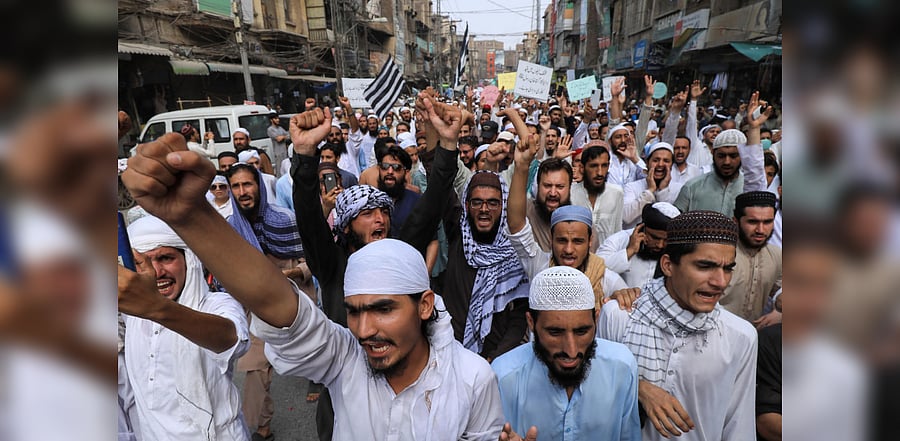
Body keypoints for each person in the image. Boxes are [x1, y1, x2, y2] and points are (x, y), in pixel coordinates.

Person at [122, 139, 507, 437]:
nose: (363, 329)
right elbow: (280, 307)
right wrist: (192, 216)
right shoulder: (346, 358)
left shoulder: (473, 379)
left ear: (424, 305)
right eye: (354, 311)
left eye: (383, 309)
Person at [287, 97, 463, 439]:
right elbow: (309, 219)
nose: (380, 218)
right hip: (346, 391)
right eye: (368, 214)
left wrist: (448, 146)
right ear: (347, 226)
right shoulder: (333, 263)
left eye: (383, 212)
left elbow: (432, 205)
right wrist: (305, 156)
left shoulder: (400, 252)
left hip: (406, 388)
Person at [598, 210, 758, 441]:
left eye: (727, 268)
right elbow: (593, 395)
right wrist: (636, 388)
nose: (720, 282)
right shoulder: (620, 316)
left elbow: (739, 426)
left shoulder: (741, 336)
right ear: (668, 265)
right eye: (705, 266)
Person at [117, 216, 250, 440]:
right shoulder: (132, 316)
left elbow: (232, 340)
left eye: (165, 258)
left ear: (188, 260)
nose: (157, 272)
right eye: (144, 262)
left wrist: (157, 308)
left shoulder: (215, 304)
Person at [492, 266, 641, 441]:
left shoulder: (621, 367)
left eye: (582, 332)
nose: (571, 350)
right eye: (555, 333)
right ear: (531, 322)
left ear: (596, 319)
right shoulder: (503, 377)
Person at [226, 163, 304, 441]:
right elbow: (225, 271)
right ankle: (257, 429)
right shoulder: (230, 229)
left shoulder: (285, 219)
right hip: (256, 308)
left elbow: (311, 263)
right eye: (235, 186)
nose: (242, 191)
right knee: (256, 369)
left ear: (259, 184)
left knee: (317, 359)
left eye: (247, 184)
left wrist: (291, 274)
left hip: (295, 304)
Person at [674, 91, 770, 216]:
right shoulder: (692, 187)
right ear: (713, 153)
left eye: (733, 156)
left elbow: (755, 169)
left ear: (742, 157)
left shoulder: (749, 187)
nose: (727, 162)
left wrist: (754, 127)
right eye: (721, 155)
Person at [720, 191, 782, 327]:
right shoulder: (720, 253)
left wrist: (780, 312)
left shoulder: (777, 255)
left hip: (753, 339)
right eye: (753, 222)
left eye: (767, 222)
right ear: (735, 221)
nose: (760, 230)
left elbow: (781, 289)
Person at [597, 202, 680, 290]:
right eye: (654, 237)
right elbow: (596, 269)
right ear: (642, 227)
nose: (660, 245)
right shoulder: (619, 239)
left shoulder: (677, 247)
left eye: (666, 240)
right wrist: (629, 251)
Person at [569, 146, 624, 251]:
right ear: (582, 167)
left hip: (607, 259)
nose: (599, 172)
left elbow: (618, 231)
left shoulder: (616, 193)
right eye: (594, 166)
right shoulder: (571, 194)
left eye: (604, 166)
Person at [622, 142, 683, 229]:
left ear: (672, 165)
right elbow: (626, 217)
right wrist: (650, 190)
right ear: (647, 162)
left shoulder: (679, 189)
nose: (660, 164)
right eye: (656, 160)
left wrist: (663, 191)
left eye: (666, 161)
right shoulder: (631, 187)